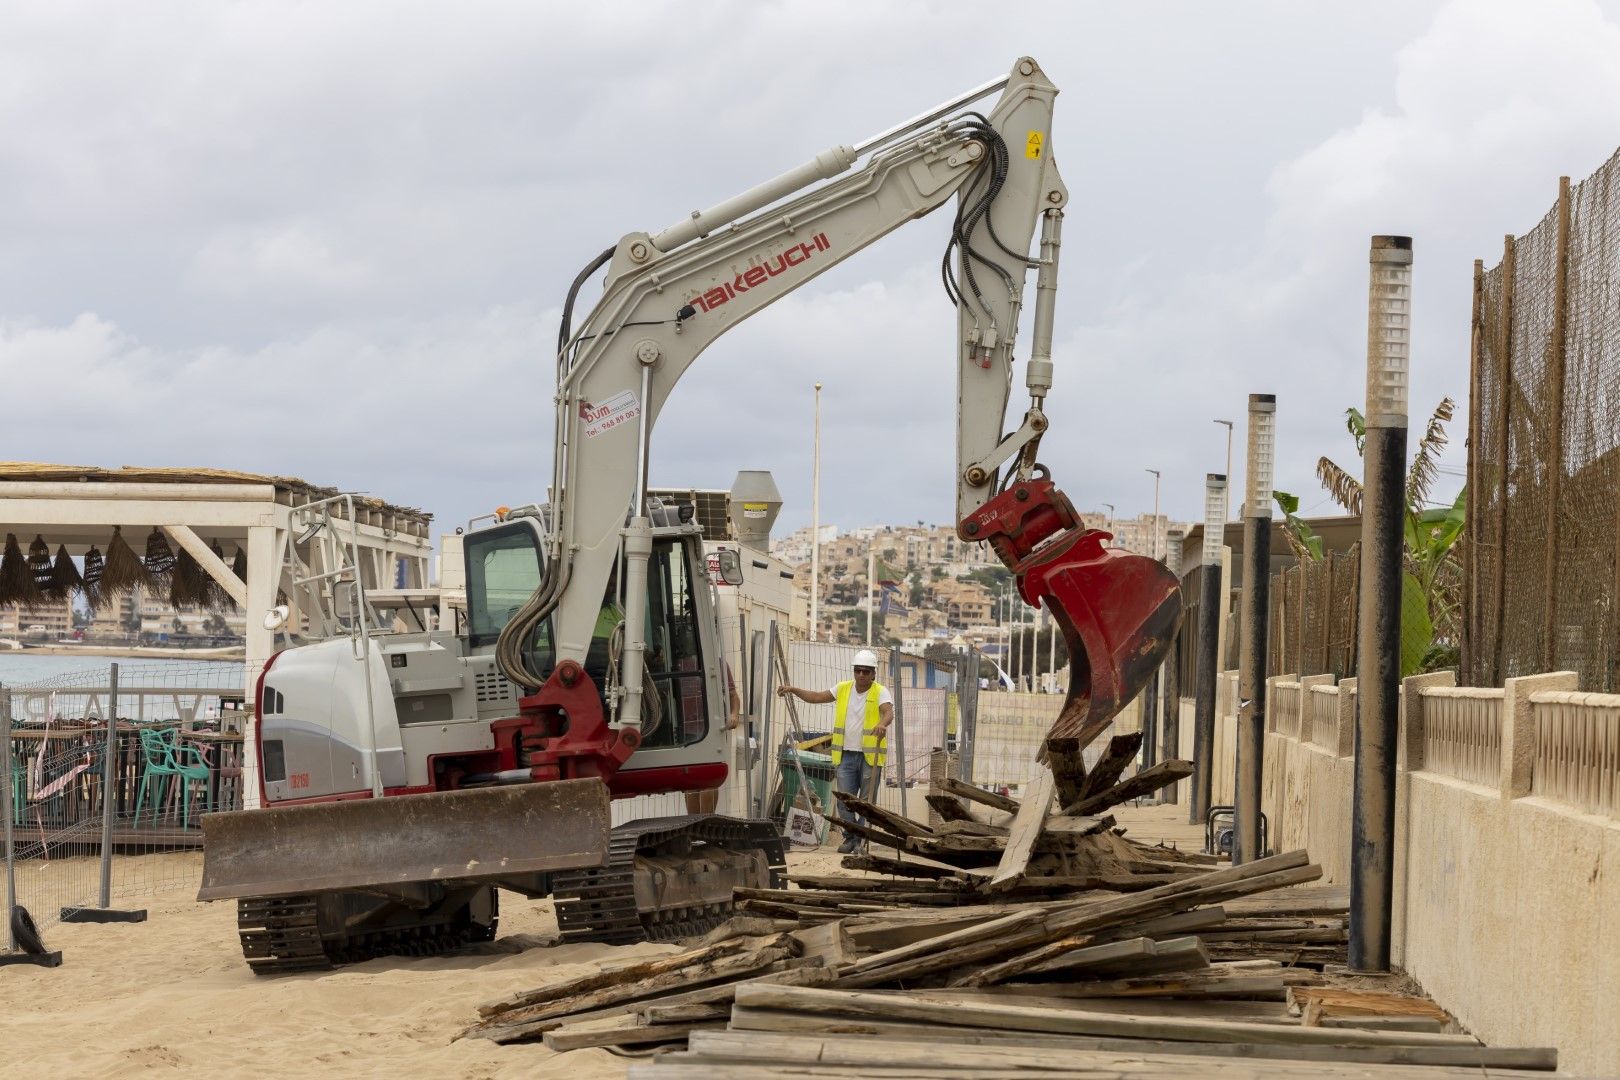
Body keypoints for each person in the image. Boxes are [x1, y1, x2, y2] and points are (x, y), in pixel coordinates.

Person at [776, 649, 892, 854]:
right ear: (854, 672)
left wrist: (882, 724)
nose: (862, 675)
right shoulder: (843, 689)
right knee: (844, 800)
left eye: (866, 671)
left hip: (869, 756)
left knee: (866, 802)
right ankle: (851, 838)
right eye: (858, 670)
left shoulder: (880, 691)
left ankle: (861, 841)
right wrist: (793, 689)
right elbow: (816, 697)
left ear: (873, 673)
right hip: (845, 754)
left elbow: (888, 712)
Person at [684, 662, 741, 816]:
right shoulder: (680, 663)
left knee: (708, 779)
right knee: (691, 781)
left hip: (712, 729)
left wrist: (734, 715)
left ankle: (705, 821)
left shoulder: (719, 662)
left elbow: (733, 695)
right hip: (686, 730)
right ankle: (694, 824)